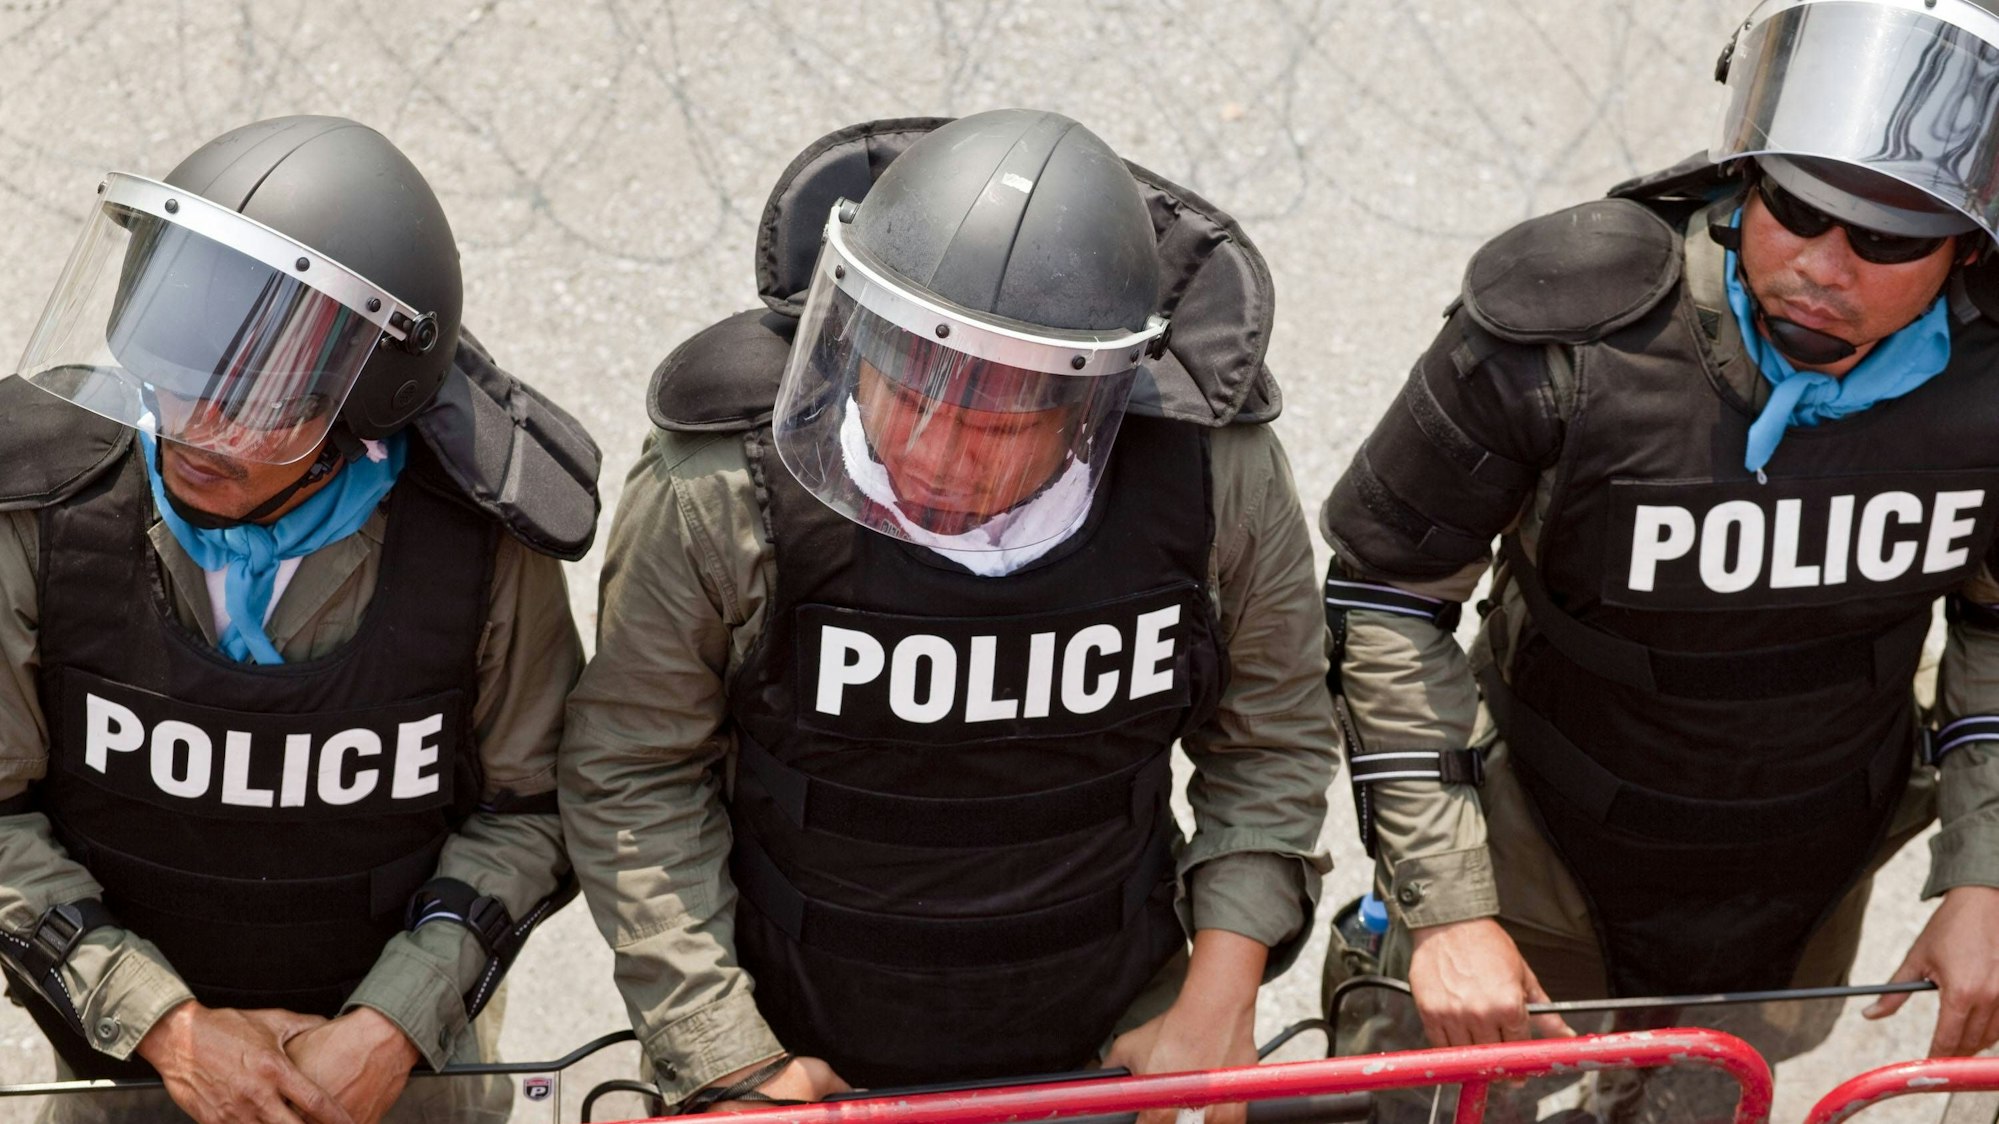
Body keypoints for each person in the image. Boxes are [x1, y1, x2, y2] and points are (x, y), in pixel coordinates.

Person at [559, 110, 1336, 1120]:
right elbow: (633, 766)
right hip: (796, 1059)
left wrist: (1217, 999)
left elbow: (1271, 736)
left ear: (1086, 409)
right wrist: (723, 1059)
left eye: (995, 426)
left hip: (1120, 1045)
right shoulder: (720, 485)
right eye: (903, 391)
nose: (932, 452)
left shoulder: (1209, 474)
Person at [1320, 0, 1999, 1118]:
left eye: (1884, 238)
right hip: (1530, 839)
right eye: (1792, 206)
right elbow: (1383, 594)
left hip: (1787, 876)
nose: (1821, 266)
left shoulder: (1983, 385)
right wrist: (1446, 910)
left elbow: (1989, 629)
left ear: (1967, 245)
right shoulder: (1569, 330)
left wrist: (1981, 875)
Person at [0, 115, 601, 1124]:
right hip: (122, 1063)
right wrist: (168, 1025)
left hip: (401, 1073)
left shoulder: (482, 533)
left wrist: (393, 1024)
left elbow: (531, 807)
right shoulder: (39, 513)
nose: (194, 425)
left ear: (368, 397)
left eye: (257, 398)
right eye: (175, 361)